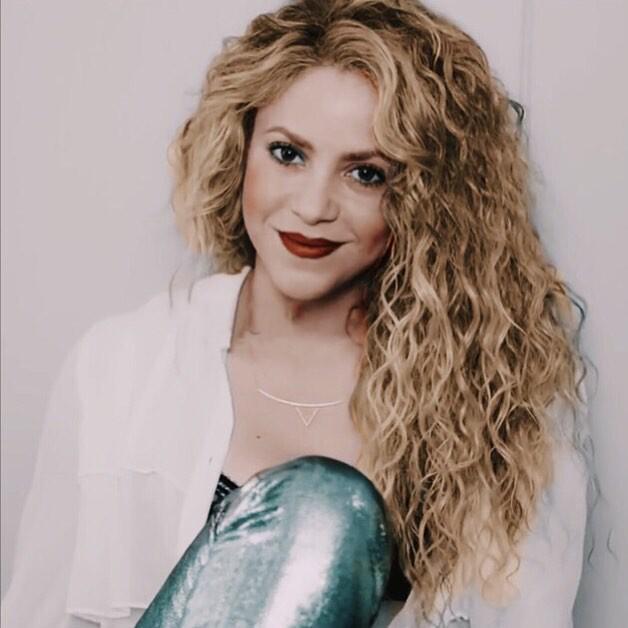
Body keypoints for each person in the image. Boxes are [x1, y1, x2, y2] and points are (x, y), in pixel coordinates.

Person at [2, 0, 595, 626]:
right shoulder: (119, 365)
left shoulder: (498, 404)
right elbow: (37, 613)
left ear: (426, 200)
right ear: (241, 150)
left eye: (366, 174)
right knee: (320, 506)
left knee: (324, 509)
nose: (313, 207)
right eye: (288, 154)